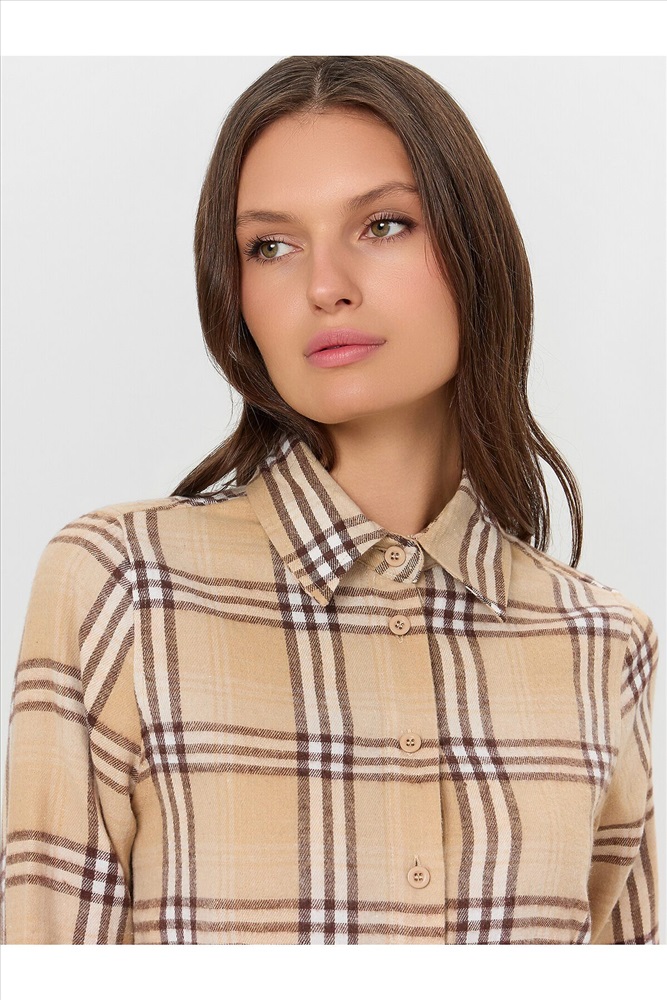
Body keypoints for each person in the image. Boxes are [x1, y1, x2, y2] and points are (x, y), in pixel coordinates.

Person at [0, 55, 659, 945]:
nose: (323, 286)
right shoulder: (122, 586)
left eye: (383, 225)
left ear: (475, 250)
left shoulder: (598, 640)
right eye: (270, 246)